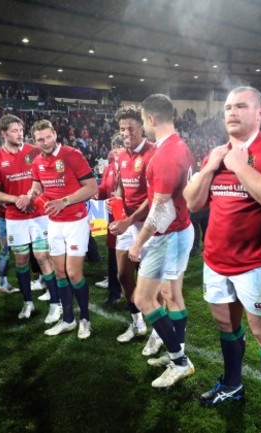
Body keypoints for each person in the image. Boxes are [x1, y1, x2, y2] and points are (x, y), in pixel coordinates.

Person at [184, 86, 261, 432]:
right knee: (226, 326)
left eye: (240, 106)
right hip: (216, 260)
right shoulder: (216, 153)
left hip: (257, 263)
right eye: (227, 107)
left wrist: (239, 166)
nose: (231, 112)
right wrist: (210, 169)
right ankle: (233, 385)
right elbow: (192, 203)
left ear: (260, 113)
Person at [127, 94, 195, 388]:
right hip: (179, 230)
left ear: (151, 119)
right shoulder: (178, 145)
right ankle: (177, 354)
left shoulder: (167, 153)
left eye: (142, 119)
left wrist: (138, 242)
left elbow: (161, 207)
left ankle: (179, 360)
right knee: (171, 295)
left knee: (143, 298)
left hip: (169, 234)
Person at [0, 115, 61, 324]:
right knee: (21, 260)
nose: (19, 134)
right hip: (15, 218)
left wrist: (33, 196)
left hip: (38, 215)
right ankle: (27, 302)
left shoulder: (34, 151)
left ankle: (56, 305)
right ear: (3, 133)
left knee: (43, 256)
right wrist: (15, 199)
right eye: (14, 130)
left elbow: (48, 178)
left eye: (21, 130)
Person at [27, 119, 98, 339]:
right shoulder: (37, 161)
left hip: (76, 221)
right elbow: (37, 185)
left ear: (55, 134)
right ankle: (68, 320)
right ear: (35, 141)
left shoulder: (72, 154)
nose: (46, 142)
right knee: (60, 273)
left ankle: (85, 319)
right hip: (54, 222)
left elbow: (92, 188)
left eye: (48, 137)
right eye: (40, 139)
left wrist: (64, 201)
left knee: (75, 273)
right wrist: (32, 194)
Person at [108, 105, 157, 345]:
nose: (125, 133)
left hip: (149, 224)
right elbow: (120, 184)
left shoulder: (153, 154)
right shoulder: (121, 156)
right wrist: (116, 202)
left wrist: (129, 219)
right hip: (128, 223)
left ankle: (159, 332)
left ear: (142, 128)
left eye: (131, 128)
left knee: (152, 284)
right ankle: (138, 323)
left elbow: (154, 198)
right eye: (122, 129)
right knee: (123, 275)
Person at [95, 136, 124, 307]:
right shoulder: (110, 168)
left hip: (129, 220)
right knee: (113, 258)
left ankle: (139, 296)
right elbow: (103, 189)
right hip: (112, 220)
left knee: (134, 260)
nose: (116, 149)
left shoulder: (132, 167)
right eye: (114, 146)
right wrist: (96, 195)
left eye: (119, 146)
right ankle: (114, 294)